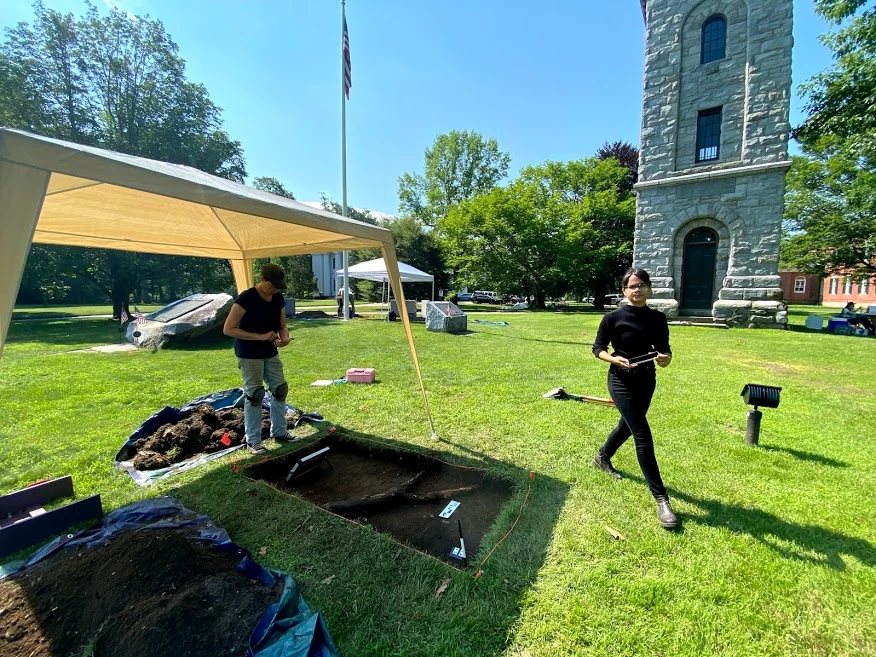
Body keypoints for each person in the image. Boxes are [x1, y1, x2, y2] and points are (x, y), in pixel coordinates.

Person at [591, 268, 678, 529]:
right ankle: (662, 499)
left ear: (649, 288)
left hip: (646, 380)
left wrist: (665, 359)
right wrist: (612, 358)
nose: (637, 289)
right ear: (624, 290)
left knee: (628, 426)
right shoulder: (612, 318)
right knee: (641, 433)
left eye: (642, 285)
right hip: (619, 380)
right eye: (632, 286)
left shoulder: (658, 319)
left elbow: (665, 353)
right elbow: (597, 349)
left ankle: (602, 457)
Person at [223, 264, 293, 454]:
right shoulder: (246, 298)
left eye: (278, 286)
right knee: (255, 395)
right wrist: (260, 337)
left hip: (270, 353)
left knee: (280, 389)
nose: (275, 290)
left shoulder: (277, 297)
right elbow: (228, 329)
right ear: (262, 279)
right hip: (249, 354)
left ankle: (279, 431)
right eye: (272, 285)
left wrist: (284, 338)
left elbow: (282, 325)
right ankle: (253, 440)